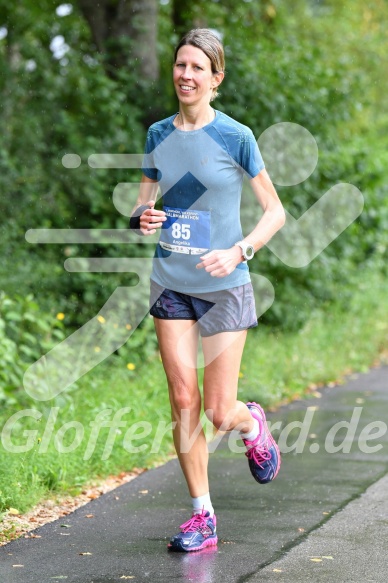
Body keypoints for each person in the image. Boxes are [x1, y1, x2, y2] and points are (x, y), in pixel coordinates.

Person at [130, 28, 286, 552]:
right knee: (182, 400)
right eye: (180, 65)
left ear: (215, 78)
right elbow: (141, 205)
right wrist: (142, 219)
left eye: (198, 67)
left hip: (225, 287)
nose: (186, 75)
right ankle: (202, 515)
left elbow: (275, 213)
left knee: (219, 411)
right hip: (171, 282)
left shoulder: (236, 136)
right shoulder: (157, 134)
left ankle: (250, 423)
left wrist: (240, 250)